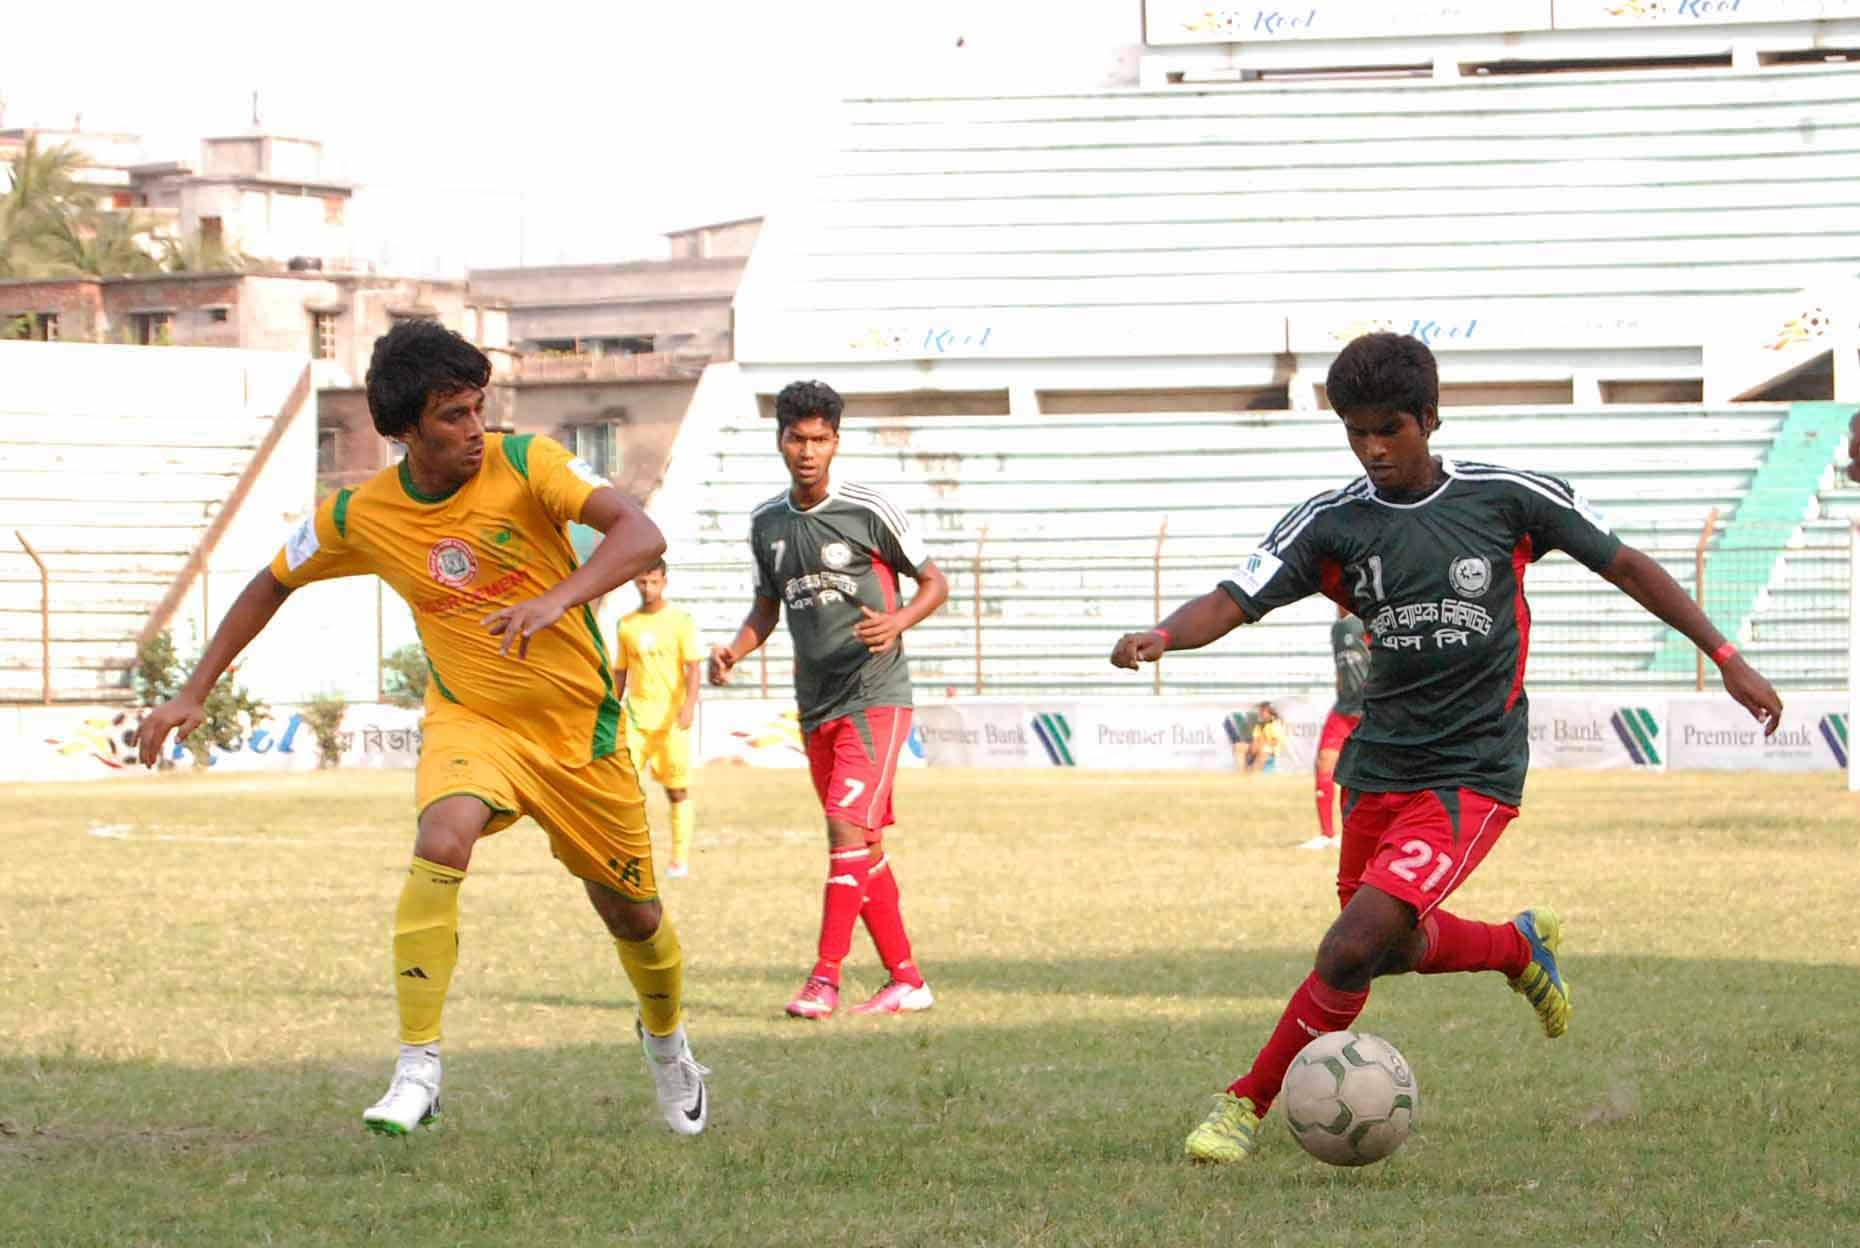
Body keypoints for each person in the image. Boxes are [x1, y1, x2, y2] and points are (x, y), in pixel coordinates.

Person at [1110, 332, 1782, 1165]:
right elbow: (1236, 595)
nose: (1372, 449)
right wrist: (1164, 635)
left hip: (1472, 772)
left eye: (1388, 428)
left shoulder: (1507, 499)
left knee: (1348, 946)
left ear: (1431, 417)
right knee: (1379, 950)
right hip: (1379, 766)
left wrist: (1726, 658)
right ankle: (1515, 946)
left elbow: (1629, 566)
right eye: (1355, 432)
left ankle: (1243, 1103)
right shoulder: (1334, 522)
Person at [136, 321, 711, 1138]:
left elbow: (641, 532)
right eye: (453, 416)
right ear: (404, 429)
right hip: (471, 718)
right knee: (441, 838)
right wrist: (194, 689)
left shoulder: (528, 463)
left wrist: (559, 597)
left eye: (478, 408)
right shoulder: (360, 514)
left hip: (578, 733)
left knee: (636, 917)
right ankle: (419, 1067)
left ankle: (668, 1047)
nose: (475, 429)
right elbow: (270, 582)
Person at [708, 379, 950, 1019]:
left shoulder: (869, 509)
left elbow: (934, 582)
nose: (808, 450)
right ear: (780, 441)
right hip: (815, 704)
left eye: (819, 439)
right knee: (861, 847)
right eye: (797, 438)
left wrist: (898, 622)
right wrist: (734, 649)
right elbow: (766, 607)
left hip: (875, 695)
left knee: (843, 829)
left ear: (835, 442)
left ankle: (824, 980)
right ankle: (907, 981)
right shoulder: (767, 524)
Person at [616, 558, 701, 877]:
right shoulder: (626, 625)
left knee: (676, 791)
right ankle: (630, 856)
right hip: (636, 721)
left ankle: (679, 859)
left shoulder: (680, 622)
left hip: (671, 723)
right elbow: (620, 671)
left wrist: (689, 706)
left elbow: (693, 667)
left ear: (664, 581)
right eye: (642, 582)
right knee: (624, 790)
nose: (648, 588)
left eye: (653, 582)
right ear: (635, 582)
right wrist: (612, 707)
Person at [1298, 608, 1370, 851]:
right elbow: (1341, 669)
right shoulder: (1337, 628)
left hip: (1368, 709)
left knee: (1363, 775)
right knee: (1324, 763)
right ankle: (1327, 834)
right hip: (1343, 708)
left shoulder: (1364, 622)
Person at [1224, 702, 1283, 774]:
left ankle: (1254, 775)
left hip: (1270, 750)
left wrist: (1259, 745)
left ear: (1271, 713)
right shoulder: (1259, 725)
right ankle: (1242, 774)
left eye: (1263, 711)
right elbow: (1255, 740)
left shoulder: (1276, 724)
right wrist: (1254, 748)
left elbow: (1274, 742)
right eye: (1260, 711)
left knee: (1265, 750)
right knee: (1238, 746)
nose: (1260, 713)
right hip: (1258, 747)